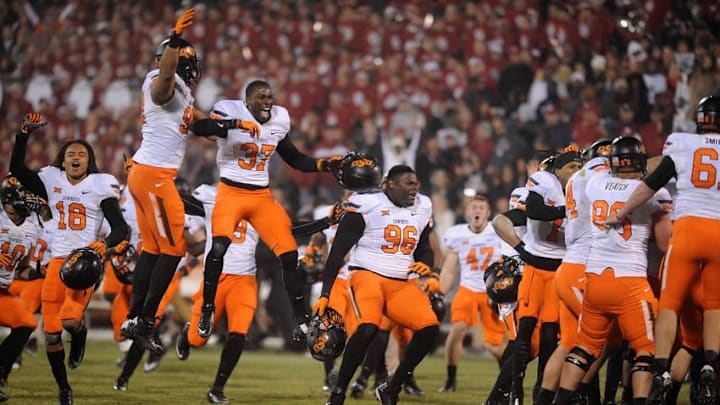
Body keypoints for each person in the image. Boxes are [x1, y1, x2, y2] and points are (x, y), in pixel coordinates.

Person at [190, 79, 344, 339]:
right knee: (218, 248)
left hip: (261, 195)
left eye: (270, 96)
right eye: (261, 96)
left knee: (288, 254)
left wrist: (325, 165)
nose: (267, 101)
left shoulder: (279, 119)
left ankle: (301, 320)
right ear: (246, 101)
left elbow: (295, 159)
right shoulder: (230, 111)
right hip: (230, 191)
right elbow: (199, 126)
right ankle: (207, 308)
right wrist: (233, 125)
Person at [174, 182, 343, 404]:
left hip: (244, 280)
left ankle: (217, 388)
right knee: (198, 339)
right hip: (214, 279)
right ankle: (186, 337)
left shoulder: (263, 205)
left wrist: (325, 222)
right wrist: (157, 181)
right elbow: (182, 202)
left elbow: (289, 231)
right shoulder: (212, 195)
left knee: (238, 334)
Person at [10, 113, 129, 405]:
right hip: (56, 262)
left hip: (84, 261)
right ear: (62, 161)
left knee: (70, 319)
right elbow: (17, 170)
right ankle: (63, 387)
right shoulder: (51, 179)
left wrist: (101, 246)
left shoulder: (101, 184)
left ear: (89, 162)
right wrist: (23, 134)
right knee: (50, 333)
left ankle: (79, 332)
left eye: (82, 154)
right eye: (71, 154)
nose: (76, 157)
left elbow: (120, 228)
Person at [607, 95, 720, 405]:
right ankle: (710, 364)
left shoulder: (682, 143)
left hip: (687, 232)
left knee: (668, 303)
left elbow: (649, 185)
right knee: (714, 305)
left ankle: (661, 371)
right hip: (718, 234)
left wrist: (621, 212)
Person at [554, 136, 673, 405]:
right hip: (630, 281)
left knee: (584, 347)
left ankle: (561, 401)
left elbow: (605, 177)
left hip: (595, 277)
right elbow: (665, 242)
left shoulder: (595, 184)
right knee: (646, 349)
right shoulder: (655, 193)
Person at [122, 7, 211, 354]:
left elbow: (200, 121)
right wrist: (175, 40)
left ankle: (135, 317)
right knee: (174, 248)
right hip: (155, 176)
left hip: (147, 174)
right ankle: (145, 321)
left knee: (155, 249)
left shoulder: (183, 94)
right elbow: (163, 84)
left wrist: (231, 125)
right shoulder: (161, 81)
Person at [316, 165, 439, 405]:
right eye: (408, 182)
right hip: (367, 274)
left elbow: (424, 245)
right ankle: (338, 393)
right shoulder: (367, 205)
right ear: (390, 184)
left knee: (430, 328)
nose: (415, 187)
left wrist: (427, 265)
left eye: (416, 183)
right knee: (368, 328)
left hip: (401, 283)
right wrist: (325, 293)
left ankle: (392, 388)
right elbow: (337, 252)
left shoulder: (423, 206)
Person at [493, 146, 583, 404]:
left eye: (580, 168)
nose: (577, 172)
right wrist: (521, 249)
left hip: (560, 270)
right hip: (535, 266)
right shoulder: (546, 182)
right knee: (524, 336)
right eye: (571, 168)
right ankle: (515, 393)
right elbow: (534, 210)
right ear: (557, 170)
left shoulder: (586, 190)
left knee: (549, 339)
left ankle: (540, 394)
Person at [535, 139, 612, 404]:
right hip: (583, 267)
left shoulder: (577, 179)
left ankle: (543, 400)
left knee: (568, 341)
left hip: (569, 265)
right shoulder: (597, 177)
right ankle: (580, 396)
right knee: (597, 338)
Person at [438, 194, 506, 393]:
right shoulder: (456, 233)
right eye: (474, 207)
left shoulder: (498, 230)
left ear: (488, 212)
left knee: (494, 346)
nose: (477, 211)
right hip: (467, 288)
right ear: (467, 211)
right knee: (457, 328)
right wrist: (441, 289)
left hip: (491, 293)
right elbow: (449, 268)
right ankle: (451, 379)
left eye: (481, 208)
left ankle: (505, 382)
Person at [0, 176, 45, 402]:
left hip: (2, 292)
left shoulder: (30, 226)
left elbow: (23, 269)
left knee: (27, 323)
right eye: (25, 193)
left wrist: (41, 273)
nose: (30, 199)